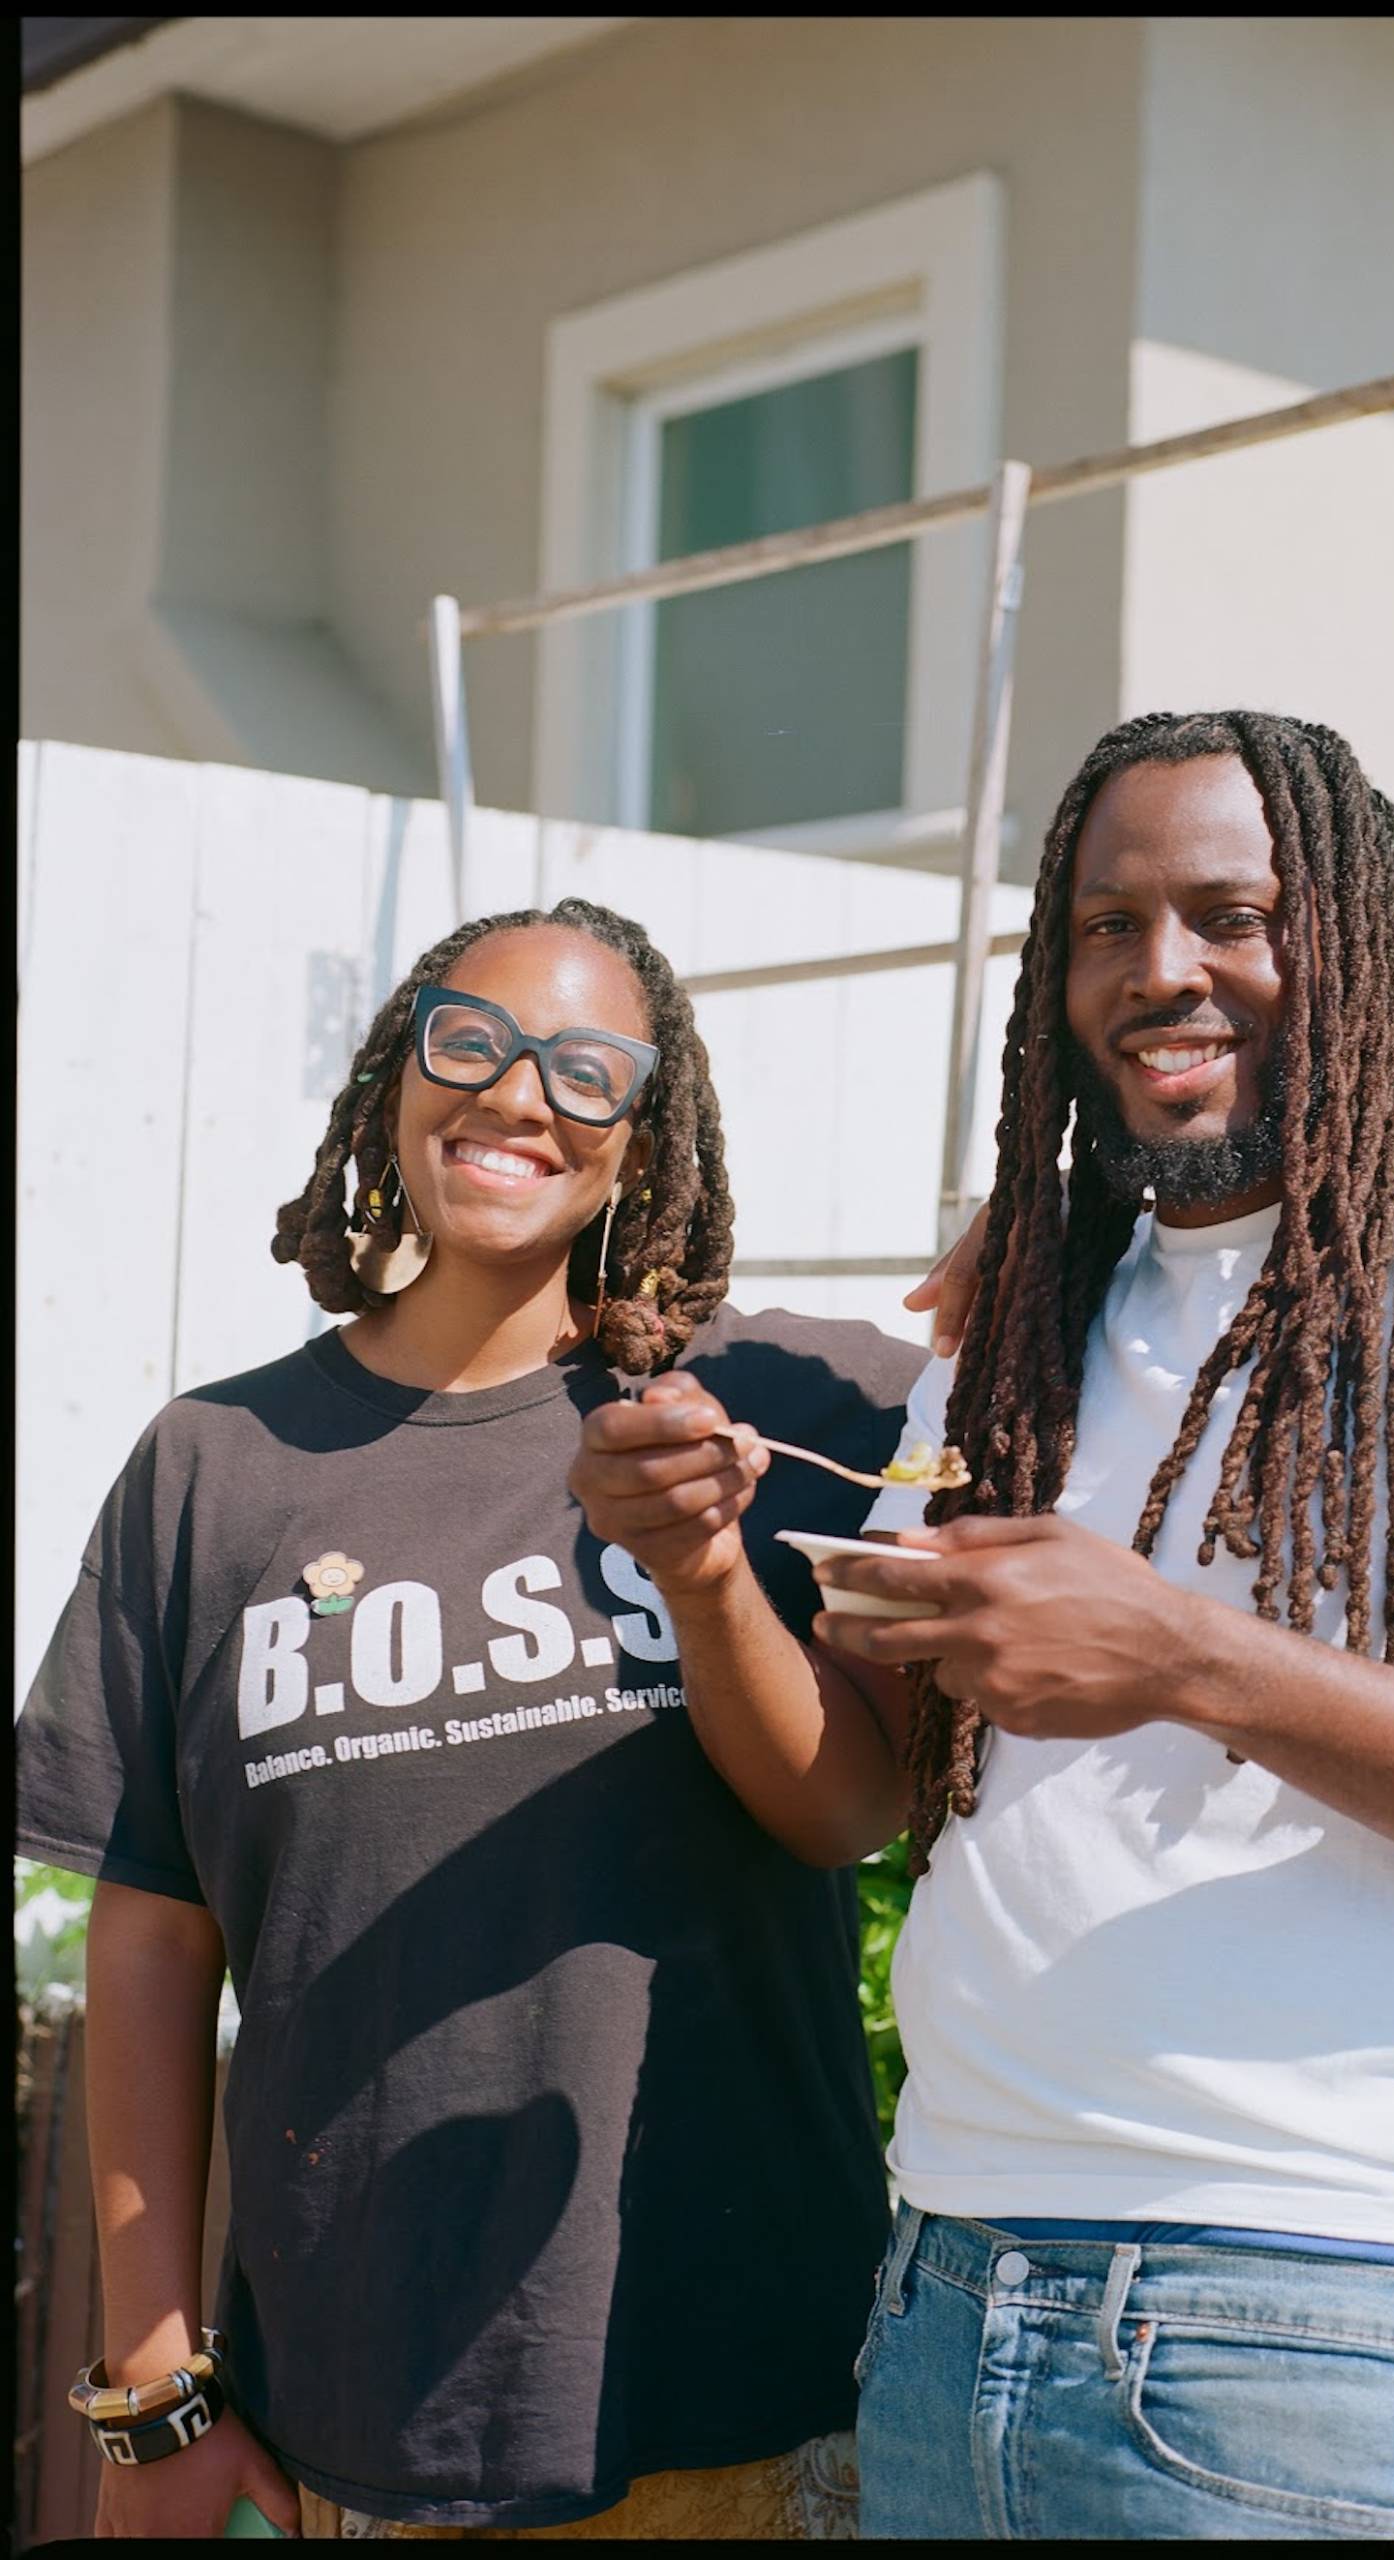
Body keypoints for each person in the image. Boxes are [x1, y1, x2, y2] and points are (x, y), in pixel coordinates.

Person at [578, 712, 1394, 2541]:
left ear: (1347, 941)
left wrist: (1191, 1659)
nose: (1162, 971)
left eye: (1230, 912)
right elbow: (850, 1805)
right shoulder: (1028, 1315)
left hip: (1319, 2332)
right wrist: (705, 1566)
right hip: (950, 2288)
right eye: (1105, 925)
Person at [14, 896, 984, 2540]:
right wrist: (154, 2386)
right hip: (356, 2412)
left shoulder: (792, 1411)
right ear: (398, 1071)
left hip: (747, 2404)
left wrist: (1038, 1236)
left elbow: (857, 1801)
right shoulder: (214, 1467)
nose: (519, 1095)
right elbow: (156, 1942)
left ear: (646, 1133)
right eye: (470, 1041)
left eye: (586, 1070)